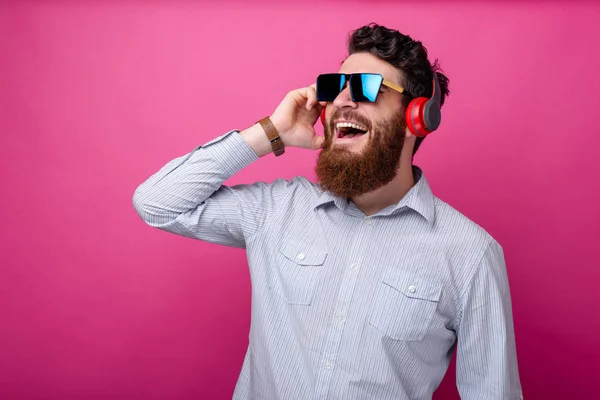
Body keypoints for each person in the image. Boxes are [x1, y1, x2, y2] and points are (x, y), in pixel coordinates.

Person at [133, 23, 523, 400]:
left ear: (416, 118)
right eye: (334, 87)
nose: (341, 101)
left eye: (366, 88)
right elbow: (157, 203)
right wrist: (271, 131)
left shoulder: (470, 254)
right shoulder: (277, 209)